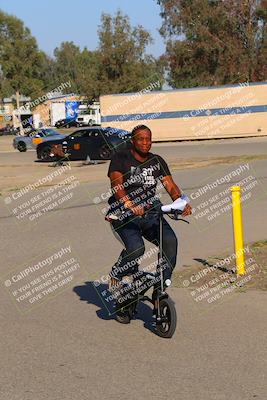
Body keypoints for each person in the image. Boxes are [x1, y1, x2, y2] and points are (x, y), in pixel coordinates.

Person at [106, 124, 191, 320]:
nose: (145, 143)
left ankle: (159, 290)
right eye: (141, 139)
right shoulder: (121, 157)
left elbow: (170, 185)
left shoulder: (157, 161)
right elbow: (116, 184)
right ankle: (118, 271)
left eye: (149, 139)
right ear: (133, 140)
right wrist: (128, 203)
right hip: (124, 216)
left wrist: (181, 201)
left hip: (151, 213)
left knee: (170, 241)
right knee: (137, 249)